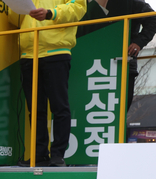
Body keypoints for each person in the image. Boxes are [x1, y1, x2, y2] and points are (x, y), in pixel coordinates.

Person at [10, 0, 88, 167]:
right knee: (35, 110)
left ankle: (58, 155)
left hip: (56, 51)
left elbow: (78, 7)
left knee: (59, 107)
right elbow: (13, 16)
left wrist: (51, 13)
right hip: (28, 54)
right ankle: (39, 155)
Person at [78, 0, 156, 110]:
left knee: (119, 108)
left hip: (122, 63)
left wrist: (139, 42)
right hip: (91, 64)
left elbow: (152, 18)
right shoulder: (83, 3)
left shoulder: (131, 2)